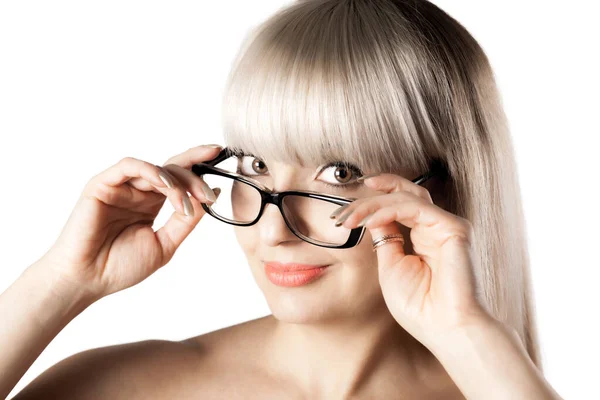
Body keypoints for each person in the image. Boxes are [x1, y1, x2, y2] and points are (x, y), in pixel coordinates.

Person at [1, 0, 563, 398]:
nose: (272, 230)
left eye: (338, 171)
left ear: (438, 191)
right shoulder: (124, 388)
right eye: (255, 164)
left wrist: (468, 335)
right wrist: (60, 282)